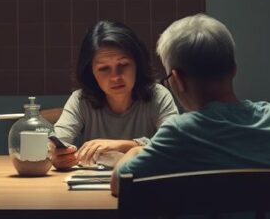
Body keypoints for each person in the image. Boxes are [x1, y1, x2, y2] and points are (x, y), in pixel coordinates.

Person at [111, 13, 270, 195]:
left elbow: (120, 183)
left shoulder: (180, 132)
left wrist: (136, 150)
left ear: (178, 80)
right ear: (233, 69)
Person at [51, 20, 179, 170]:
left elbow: (175, 146)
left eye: (123, 65)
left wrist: (126, 145)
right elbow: (56, 142)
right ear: (91, 72)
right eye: (104, 69)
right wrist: (57, 155)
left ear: (137, 64)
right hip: (91, 188)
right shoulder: (81, 99)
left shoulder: (158, 95)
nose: (115, 77)